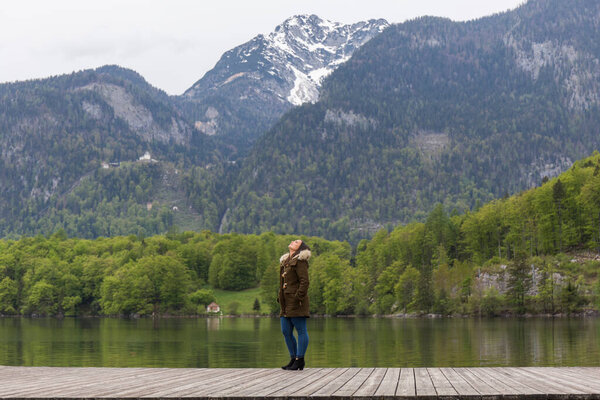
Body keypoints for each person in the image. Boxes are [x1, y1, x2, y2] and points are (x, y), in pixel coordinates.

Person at [278, 239, 311, 370]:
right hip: (285, 302)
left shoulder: (300, 261)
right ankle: (293, 359)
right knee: (285, 331)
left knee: (301, 330)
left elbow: (305, 281)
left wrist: (298, 297)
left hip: (297, 301)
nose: (292, 242)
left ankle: (300, 359)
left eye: (296, 242)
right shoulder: (285, 262)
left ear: (300, 248)